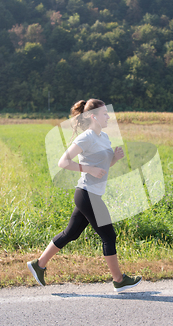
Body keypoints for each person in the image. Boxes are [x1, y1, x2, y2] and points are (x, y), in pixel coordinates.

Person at [27, 99, 142, 292]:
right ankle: (119, 280)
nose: (108, 117)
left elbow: (103, 168)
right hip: (87, 194)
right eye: (105, 113)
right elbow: (63, 162)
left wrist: (115, 158)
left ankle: (39, 265)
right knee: (109, 236)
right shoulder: (86, 137)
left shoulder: (104, 137)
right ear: (93, 116)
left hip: (92, 194)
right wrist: (88, 168)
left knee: (71, 234)